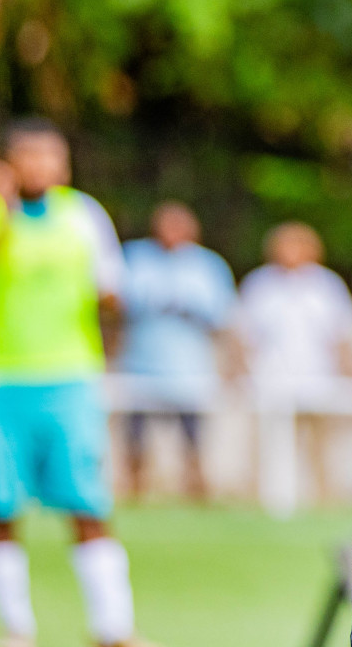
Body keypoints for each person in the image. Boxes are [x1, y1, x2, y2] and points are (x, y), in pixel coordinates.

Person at [0, 118, 145, 647]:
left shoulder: (84, 215)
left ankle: (113, 629)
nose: (42, 165)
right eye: (30, 155)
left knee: (88, 504)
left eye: (51, 155)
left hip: (68, 379)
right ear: (5, 162)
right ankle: (17, 630)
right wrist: (0, 225)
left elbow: (112, 292)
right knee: (1, 507)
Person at [118, 201, 235, 501]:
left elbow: (222, 315)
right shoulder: (135, 257)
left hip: (190, 369)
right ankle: (135, 491)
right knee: (135, 438)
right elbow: (118, 303)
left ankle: (196, 492)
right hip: (140, 365)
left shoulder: (208, 265)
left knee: (194, 439)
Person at [236, 222, 352, 506]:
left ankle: (324, 501)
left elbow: (341, 337)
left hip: (319, 381)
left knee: (322, 450)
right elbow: (243, 335)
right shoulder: (259, 284)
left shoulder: (327, 285)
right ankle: (262, 503)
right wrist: (242, 373)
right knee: (270, 450)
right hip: (270, 383)